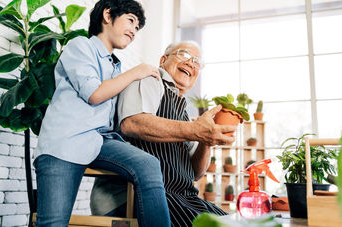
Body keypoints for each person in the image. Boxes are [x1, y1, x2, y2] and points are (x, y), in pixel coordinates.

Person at [34, 0, 171, 227]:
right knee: (53, 223)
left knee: (149, 164)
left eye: (137, 27)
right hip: (64, 144)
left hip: (99, 141)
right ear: (108, 15)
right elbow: (95, 94)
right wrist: (138, 71)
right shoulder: (80, 46)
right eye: (130, 21)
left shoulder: (114, 66)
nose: (133, 31)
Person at [91, 41, 236, 226]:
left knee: (234, 222)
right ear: (163, 60)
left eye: (197, 62)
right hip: (136, 197)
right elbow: (133, 123)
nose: (191, 63)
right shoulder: (150, 79)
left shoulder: (184, 112)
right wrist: (196, 130)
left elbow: (195, 173)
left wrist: (206, 141)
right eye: (183, 55)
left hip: (182, 198)